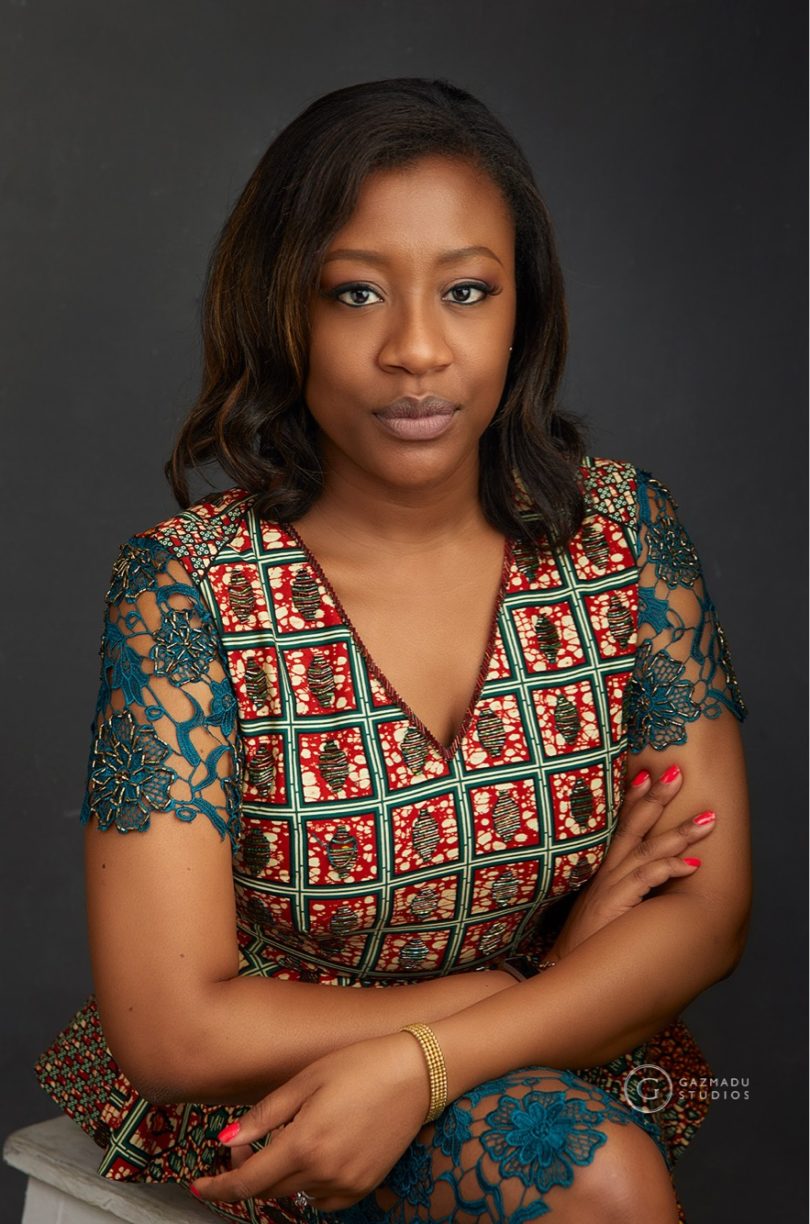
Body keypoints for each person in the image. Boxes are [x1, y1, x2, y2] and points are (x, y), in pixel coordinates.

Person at [35, 78, 750, 1224]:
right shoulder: (191, 590)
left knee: (592, 1162)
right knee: (599, 1178)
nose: (416, 350)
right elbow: (173, 1030)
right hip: (282, 1097)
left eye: (466, 291)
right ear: (283, 309)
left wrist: (427, 1064)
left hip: (555, 1057)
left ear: (522, 310)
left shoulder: (619, 535)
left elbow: (704, 914)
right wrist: (536, 983)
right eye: (355, 293)